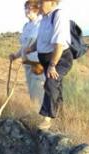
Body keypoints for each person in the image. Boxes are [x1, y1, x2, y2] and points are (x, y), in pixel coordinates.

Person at [25, 0, 73, 130]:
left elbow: (59, 44)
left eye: (41, 2)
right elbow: (41, 40)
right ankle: (62, 120)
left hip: (60, 58)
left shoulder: (59, 15)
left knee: (51, 84)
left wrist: (52, 65)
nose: (39, 5)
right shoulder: (44, 18)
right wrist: (32, 48)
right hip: (48, 60)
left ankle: (47, 119)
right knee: (57, 88)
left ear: (52, 2)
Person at [9, 0, 45, 112]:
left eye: (30, 8)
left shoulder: (41, 24)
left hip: (38, 64)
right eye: (26, 8)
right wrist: (15, 55)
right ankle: (37, 116)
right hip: (27, 64)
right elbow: (24, 47)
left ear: (37, 9)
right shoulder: (26, 26)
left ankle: (42, 118)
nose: (28, 10)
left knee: (38, 91)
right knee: (32, 92)